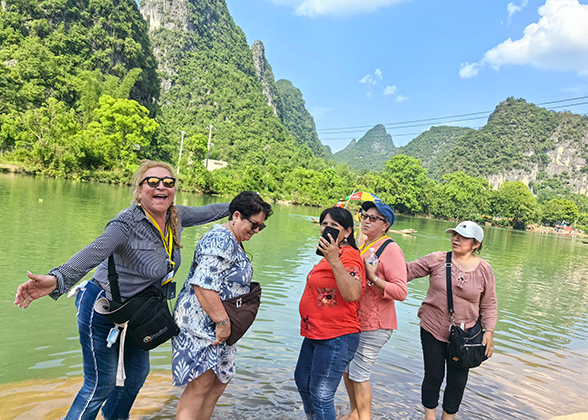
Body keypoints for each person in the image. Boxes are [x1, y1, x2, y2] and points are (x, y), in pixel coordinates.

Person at [13, 160, 230, 420]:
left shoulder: (176, 217)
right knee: (100, 383)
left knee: (135, 378)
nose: (161, 186)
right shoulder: (126, 223)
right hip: (102, 308)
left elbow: (210, 211)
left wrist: (241, 205)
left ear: (173, 191)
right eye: (152, 181)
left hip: (138, 315)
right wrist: (57, 278)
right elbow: (94, 252)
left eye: (168, 182)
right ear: (139, 191)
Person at [172, 191, 272, 420]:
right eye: (254, 225)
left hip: (219, 324)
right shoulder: (221, 238)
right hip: (203, 323)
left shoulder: (234, 240)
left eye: (261, 227)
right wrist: (223, 323)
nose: (256, 231)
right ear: (236, 215)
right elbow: (203, 285)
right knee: (201, 384)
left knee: (218, 383)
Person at [406, 221, 497, 420]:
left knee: (457, 381)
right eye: (454, 234)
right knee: (434, 375)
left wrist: (489, 331)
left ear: (476, 244)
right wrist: (375, 268)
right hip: (432, 327)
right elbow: (407, 271)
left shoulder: (484, 270)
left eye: (463, 237)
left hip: (465, 335)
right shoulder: (438, 258)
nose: (456, 239)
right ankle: (429, 417)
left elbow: (489, 304)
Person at [295, 206, 367, 420]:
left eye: (334, 226)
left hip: (336, 335)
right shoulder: (329, 255)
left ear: (346, 232)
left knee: (322, 393)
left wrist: (335, 259)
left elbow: (354, 293)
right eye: (324, 224)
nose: (327, 228)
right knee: (303, 381)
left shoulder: (349, 257)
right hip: (315, 331)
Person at [341, 201, 408, 420]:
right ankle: (354, 413)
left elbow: (400, 291)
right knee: (347, 369)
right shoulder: (365, 245)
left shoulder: (390, 249)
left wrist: (374, 278)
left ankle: (364, 417)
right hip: (357, 321)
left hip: (376, 323)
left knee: (359, 373)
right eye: (364, 216)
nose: (366, 221)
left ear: (386, 225)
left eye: (373, 218)